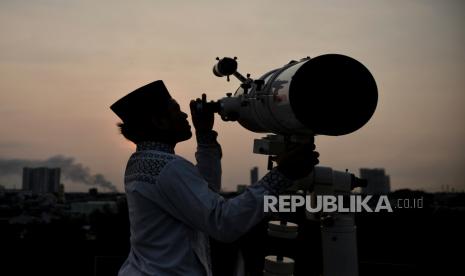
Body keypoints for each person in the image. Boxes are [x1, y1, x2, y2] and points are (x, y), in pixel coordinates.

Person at [110, 80, 319, 276]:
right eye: (176, 110)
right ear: (159, 122)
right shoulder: (168, 168)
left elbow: (205, 193)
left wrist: (205, 136)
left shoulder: (141, 161)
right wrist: (282, 175)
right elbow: (223, 222)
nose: (184, 115)